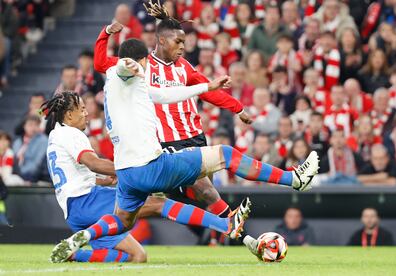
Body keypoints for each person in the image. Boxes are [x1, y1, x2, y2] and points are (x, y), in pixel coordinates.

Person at [50, 36, 319, 263]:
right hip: (151, 165)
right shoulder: (122, 74)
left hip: (127, 174)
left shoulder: (129, 87)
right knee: (224, 155)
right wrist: (128, 63)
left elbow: (166, 95)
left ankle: (84, 237)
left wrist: (206, 87)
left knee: (123, 221)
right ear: (142, 61)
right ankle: (294, 179)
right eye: (146, 63)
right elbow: (120, 69)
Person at [93, 1, 253, 244]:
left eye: (183, 43)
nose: (183, 47)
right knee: (202, 190)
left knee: (197, 194)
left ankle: (222, 232)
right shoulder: (139, 65)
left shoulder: (184, 68)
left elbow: (207, 90)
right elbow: (102, 64)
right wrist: (105, 34)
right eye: (178, 42)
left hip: (194, 135)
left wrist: (237, 107)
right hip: (166, 143)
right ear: (161, 41)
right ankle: (237, 233)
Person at [41, 92, 248, 263]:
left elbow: (77, 176)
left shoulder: (55, 136)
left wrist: (108, 179)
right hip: (86, 201)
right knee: (158, 203)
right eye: (82, 109)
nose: (87, 113)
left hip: (75, 210)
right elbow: (93, 163)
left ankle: (75, 253)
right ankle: (225, 225)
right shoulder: (72, 134)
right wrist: (127, 170)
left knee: (138, 256)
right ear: (68, 115)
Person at [12, 115, 48, 183]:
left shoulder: (43, 140)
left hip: (33, 176)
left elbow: (37, 163)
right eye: (30, 125)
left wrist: (20, 174)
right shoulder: (17, 142)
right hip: (18, 175)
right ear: (24, 126)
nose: (33, 128)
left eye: (36, 125)